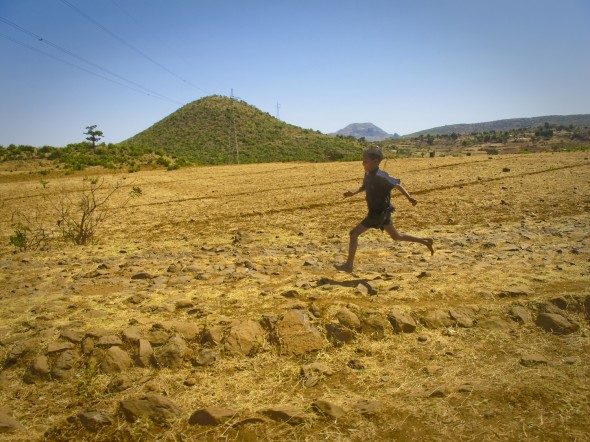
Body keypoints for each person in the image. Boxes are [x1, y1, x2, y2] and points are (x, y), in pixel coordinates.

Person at [335, 147, 434, 273]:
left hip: (378, 213)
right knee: (396, 236)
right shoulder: (367, 173)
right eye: (363, 161)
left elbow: (397, 185)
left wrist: (409, 197)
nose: (363, 163)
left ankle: (349, 265)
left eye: (366, 161)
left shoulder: (381, 175)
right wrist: (352, 193)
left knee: (353, 234)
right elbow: (365, 186)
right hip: (383, 212)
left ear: (375, 161)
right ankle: (425, 241)